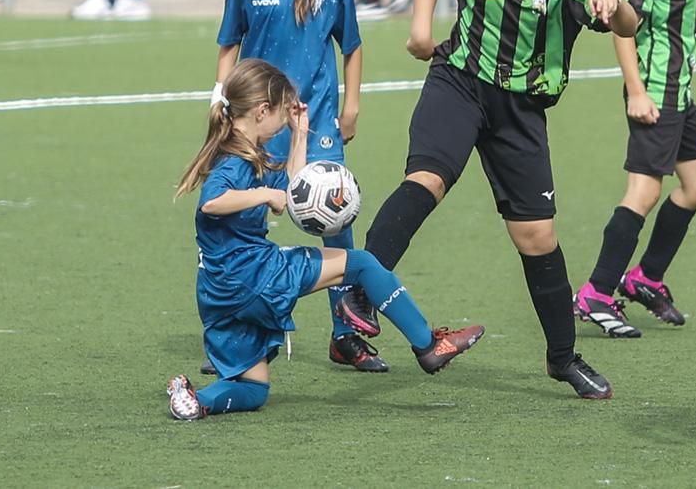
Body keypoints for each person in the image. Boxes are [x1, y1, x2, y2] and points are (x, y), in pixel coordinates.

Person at [346, 0, 638, 400]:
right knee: (426, 179)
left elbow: (627, 25)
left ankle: (562, 358)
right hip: (457, 83)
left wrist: (613, 4)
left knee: (537, 238)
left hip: (520, 113)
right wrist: (419, 28)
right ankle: (363, 288)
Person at [166, 58, 485, 421]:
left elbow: (289, 191)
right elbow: (212, 202)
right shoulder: (234, 161)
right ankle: (429, 345)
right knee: (362, 264)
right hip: (253, 275)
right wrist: (263, 196)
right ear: (261, 111)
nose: (284, 118)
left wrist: (299, 134)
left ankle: (197, 399)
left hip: (220, 290)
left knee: (253, 389)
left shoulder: (246, 152)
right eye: (281, 111)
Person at [211, 0, 384, 374]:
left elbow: (351, 49)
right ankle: (240, 335)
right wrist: (222, 102)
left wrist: (351, 108)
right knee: (245, 226)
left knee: (336, 222)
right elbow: (229, 44)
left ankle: (346, 333)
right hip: (257, 123)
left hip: (319, 121)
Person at [572, 0, 696, 339]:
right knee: (644, 192)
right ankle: (596, 290)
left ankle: (646, 278)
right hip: (655, 94)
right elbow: (624, 28)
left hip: (681, 94)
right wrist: (636, 92)